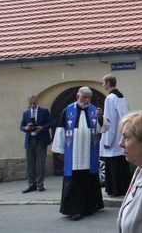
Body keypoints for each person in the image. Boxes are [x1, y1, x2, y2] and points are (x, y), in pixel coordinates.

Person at [52, 86, 105, 221]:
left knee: (88, 180)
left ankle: (89, 207)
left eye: (89, 98)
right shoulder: (68, 110)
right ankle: (74, 209)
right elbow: (61, 131)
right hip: (73, 154)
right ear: (77, 97)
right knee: (74, 182)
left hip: (89, 154)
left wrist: (100, 118)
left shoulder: (94, 110)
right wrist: (60, 150)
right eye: (84, 97)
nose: (87, 100)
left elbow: (103, 129)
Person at [99, 74, 130, 197]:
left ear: (108, 83)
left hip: (114, 137)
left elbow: (109, 121)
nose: (102, 85)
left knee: (113, 166)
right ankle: (124, 188)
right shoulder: (122, 96)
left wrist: (107, 140)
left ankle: (114, 190)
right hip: (121, 133)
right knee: (122, 164)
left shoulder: (110, 98)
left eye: (104, 82)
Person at [20, 94, 53, 193]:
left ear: (37, 102)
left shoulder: (44, 111)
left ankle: (40, 184)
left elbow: (51, 123)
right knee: (30, 164)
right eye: (30, 103)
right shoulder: (26, 113)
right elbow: (21, 126)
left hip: (40, 139)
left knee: (41, 164)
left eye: (34, 103)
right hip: (30, 139)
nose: (32, 105)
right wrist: (25, 128)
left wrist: (42, 128)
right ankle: (31, 184)